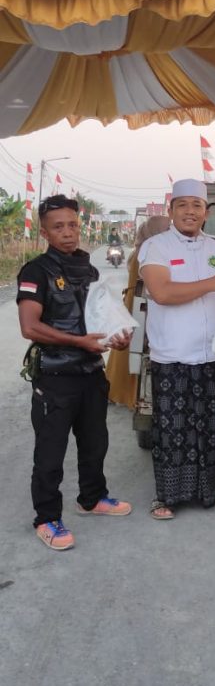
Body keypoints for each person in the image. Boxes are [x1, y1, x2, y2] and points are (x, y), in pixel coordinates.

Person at [17, 195, 133, 552]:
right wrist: (77, 342)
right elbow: (29, 327)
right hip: (55, 376)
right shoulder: (35, 271)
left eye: (71, 225)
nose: (67, 233)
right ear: (45, 231)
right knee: (50, 452)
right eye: (58, 227)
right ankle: (47, 517)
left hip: (91, 373)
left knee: (95, 442)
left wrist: (119, 336)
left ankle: (92, 498)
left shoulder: (90, 270)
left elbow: (100, 318)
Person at [138, 178, 215, 520]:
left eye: (196, 205)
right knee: (172, 428)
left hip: (212, 354)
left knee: (210, 427)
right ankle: (166, 496)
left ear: (206, 212)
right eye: (182, 205)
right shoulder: (156, 247)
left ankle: (214, 488)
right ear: (171, 211)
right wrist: (213, 284)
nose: (189, 211)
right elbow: (163, 293)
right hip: (171, 354)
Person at [106, 215, 170, 409]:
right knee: (138, 347)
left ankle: (115, 390)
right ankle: (132, 395)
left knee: (128, 348)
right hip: (143, 303)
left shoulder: (140, 249)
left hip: (134, 301)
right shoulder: (151, 251)